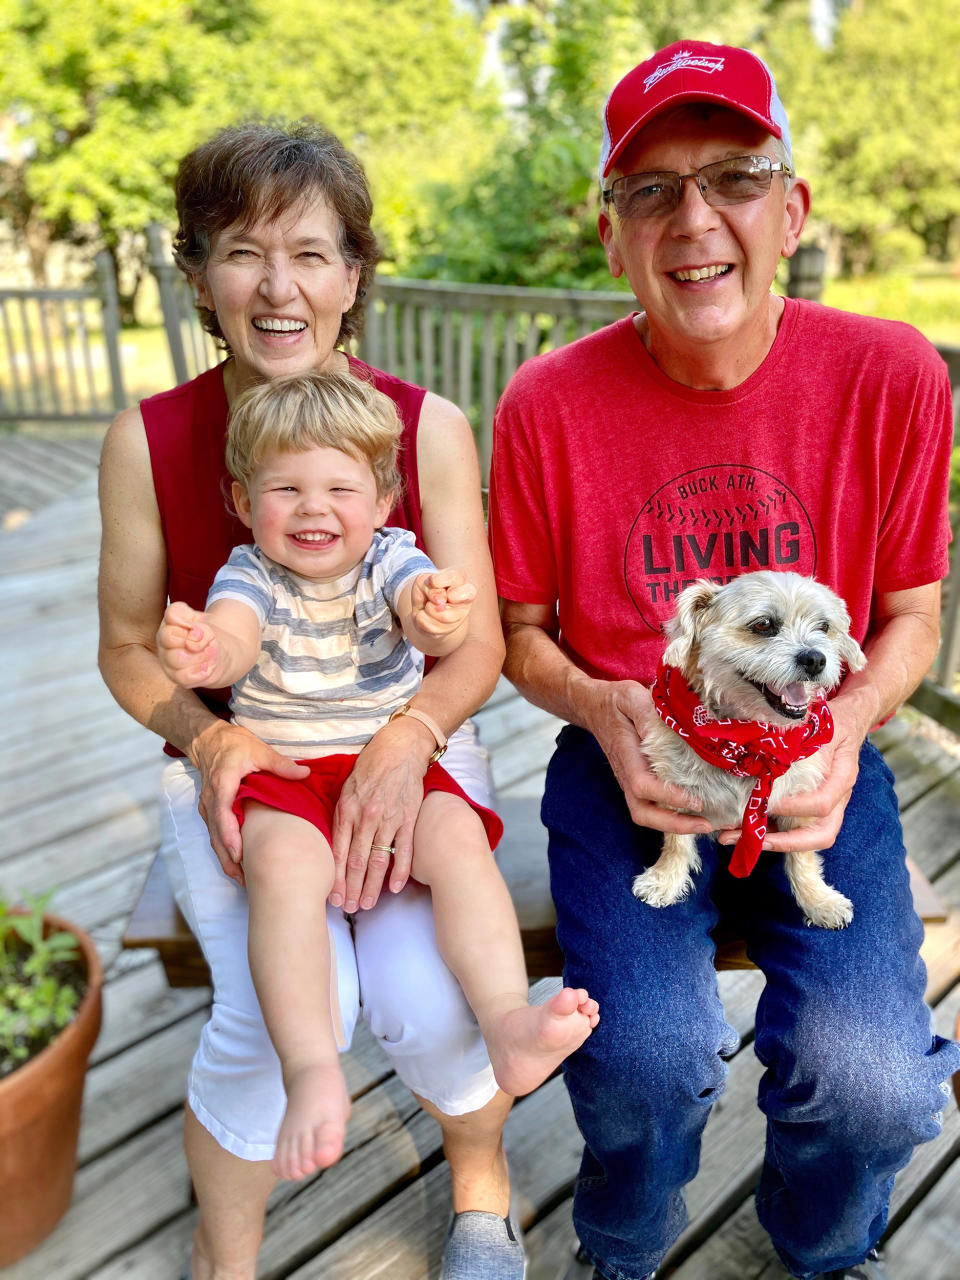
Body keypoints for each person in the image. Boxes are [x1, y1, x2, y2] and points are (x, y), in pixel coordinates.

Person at [488, 39, 959, 1280]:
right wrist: (604, 707)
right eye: (650, 188)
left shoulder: (894, 374)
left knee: (878, 1088)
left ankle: (821, 1243)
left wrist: (848, 725)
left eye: (735, 175)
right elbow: (520, 635)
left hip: (817, 759)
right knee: (643, 1058)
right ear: (612, 234)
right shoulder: (545, 403)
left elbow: (912, 609)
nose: (693, 218)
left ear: (791, 208)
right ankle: (627, 1247)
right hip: (626, 763)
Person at [98, 120, 528, 1280]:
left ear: (353, 275)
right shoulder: (150, 440)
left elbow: (473, 640)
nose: (278, 285)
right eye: (242, 251)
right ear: (197, 273)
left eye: (311, 252)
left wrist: (412, 734)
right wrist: (206, 732)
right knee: (278, 1012)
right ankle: (223, 1253)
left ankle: (483, 1193)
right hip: (254, 755)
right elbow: (129, 651)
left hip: (411, 736)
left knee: (427, 992)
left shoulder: (424, 426)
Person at [155, 369, 598, 1182]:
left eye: (339, 488)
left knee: (460, 843)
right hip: (285, 773)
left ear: (386, 497)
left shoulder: (394, 558)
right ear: (243, 500)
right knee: (283, 873)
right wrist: (205, 651)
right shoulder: (249, 573)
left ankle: (505, 1021)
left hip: (389, 764)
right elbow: (236, 636)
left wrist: (435, 612)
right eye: (285, 488)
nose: (314, 508)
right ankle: (310, 1067)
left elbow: (423, 613)